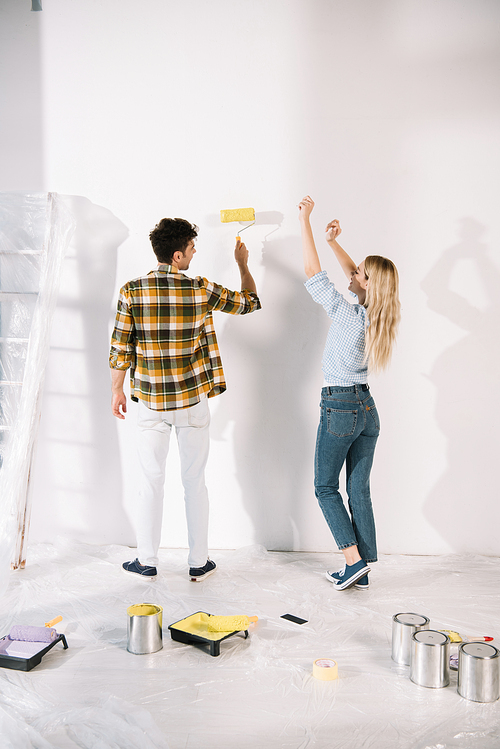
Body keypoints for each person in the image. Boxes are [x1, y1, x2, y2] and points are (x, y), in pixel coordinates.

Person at [109, 218, 261, 581]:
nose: (195, 252)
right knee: (195, 481)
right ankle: (198, 562)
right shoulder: (200, 290)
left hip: (150, 404)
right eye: (192, 248)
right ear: (177, 256)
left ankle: (146, 562)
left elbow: (119, 351)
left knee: (151, 480)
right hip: (192, 403)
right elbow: (250, 302)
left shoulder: (132, 291)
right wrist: (242, 264)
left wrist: (116, 390)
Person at [298, 196, 400, 590]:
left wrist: (305, 221)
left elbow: (312, 273)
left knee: (325, 486)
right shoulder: (380, 314)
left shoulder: (346, 314)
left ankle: (352, 561)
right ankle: (364, 563)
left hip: (340, 406)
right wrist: (334, 242)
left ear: (369, 284)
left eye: (358, 274)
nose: (351, 275)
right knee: (358, 487)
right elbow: (357, 275)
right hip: (367, 409)